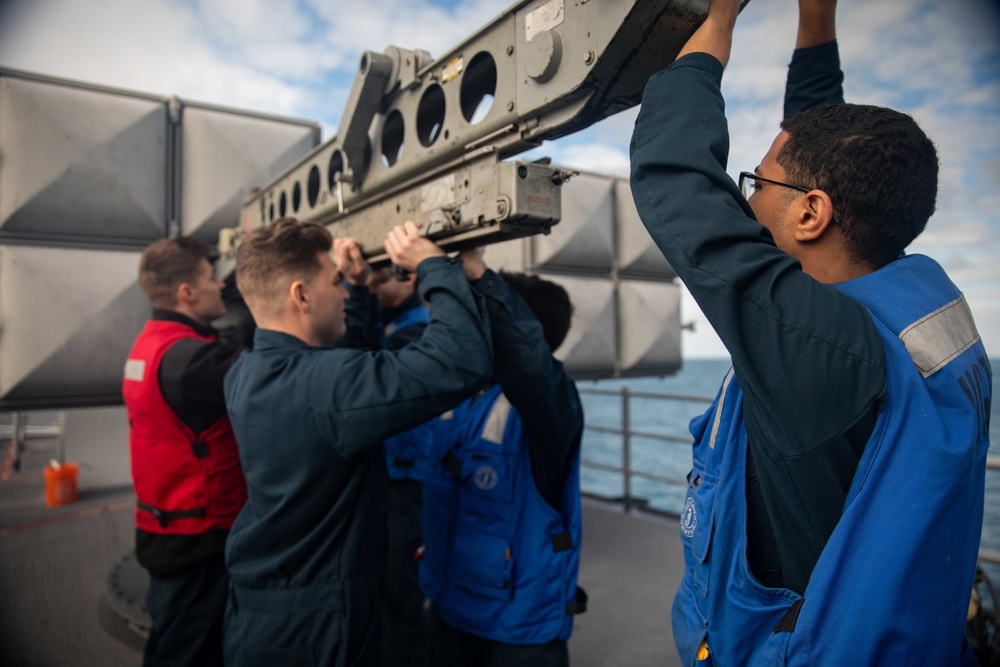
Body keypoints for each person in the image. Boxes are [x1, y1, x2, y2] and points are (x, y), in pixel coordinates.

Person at [629, 0, 991, 664]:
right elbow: (813, 149)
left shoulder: (819, 357)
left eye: (756, 184)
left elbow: (673, 167)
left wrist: (718, 19)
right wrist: (814, 21)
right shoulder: (897, 318)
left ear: (812, 214)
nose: (749, 199)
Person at [222, 218, 492, 667]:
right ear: (301, 295)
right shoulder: (323, 387)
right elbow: (461, 361)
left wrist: (363, 290)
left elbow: (353, 369)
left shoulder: (245, 372)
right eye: (335, 283)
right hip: (314, 625)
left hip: (267, 605)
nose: (344, 292)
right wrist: (433, 266)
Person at [420, 249, 585, 667]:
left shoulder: (548, 406)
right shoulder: (464, 393)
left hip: (519, 628)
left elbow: (531, 367)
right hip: (449, 603)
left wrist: (481, 275)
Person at [122, 236, 247, 667]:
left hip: (169, 529)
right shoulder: (193, 363)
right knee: (191, 654)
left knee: (173, 644)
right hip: (199, 539)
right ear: (186, 292)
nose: (222, 287)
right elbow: (259, 362)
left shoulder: (156, 344)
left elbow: (222, 346)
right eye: (213, 278)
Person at [367, 267, 435, 667]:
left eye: (380, 280)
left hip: (406, 482)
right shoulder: (390, 323)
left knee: (402, 588)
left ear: (409, 279)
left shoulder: (418, 329)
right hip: (387, 475)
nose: (372, 288)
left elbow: (381, 374)